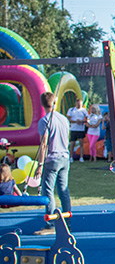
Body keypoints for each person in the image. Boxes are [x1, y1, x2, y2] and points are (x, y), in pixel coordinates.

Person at [33, 92, 71, 236]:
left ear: (43, 104)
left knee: (48, 191)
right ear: (54, 102)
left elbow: (44, 144)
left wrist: (40, 164)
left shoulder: (45, 121)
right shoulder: (63, 119)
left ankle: (50, 224)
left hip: (52, 159)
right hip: (64, 157)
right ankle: (67, 222)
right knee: (63, 190)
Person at [66, 98, 88, 163]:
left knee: (81, 143)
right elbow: (68, 119)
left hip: (81, 129)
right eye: (78, 104)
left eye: (80, 104)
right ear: (76, 103)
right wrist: (75, 121)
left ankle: (81, 157)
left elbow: (88, 119)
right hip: (73, 129)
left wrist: (82, 121)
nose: (79, 105)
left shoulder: (84, 110)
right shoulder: (71, 110)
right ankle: (71, 157)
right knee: (72, 143)